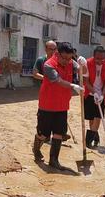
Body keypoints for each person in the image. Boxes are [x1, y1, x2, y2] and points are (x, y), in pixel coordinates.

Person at [32, 42, 84, 170]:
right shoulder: (49, 64)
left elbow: (84, 72)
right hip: (47, 105)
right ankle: (36, 148)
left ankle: (54, 160)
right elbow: (58, 81)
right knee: (43, 135)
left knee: (59, 133)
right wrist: (73, 86)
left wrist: (84, 64)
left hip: (62, 105)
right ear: (57, 54)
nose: (67, 61)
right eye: (65, 58)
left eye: (70, 58)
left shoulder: (71, 62)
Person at [82, 46, 105, 148]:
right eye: (98, 59)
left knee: (98, 117)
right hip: (90, 93)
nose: (100, 61)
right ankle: (95, 136)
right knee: (91, 118)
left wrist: (101, 95)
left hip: (102, 95)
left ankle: (88, 141)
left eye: (102, 59)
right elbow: (86, 82)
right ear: (94, 56)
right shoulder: (87, 63)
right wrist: (94, 92)